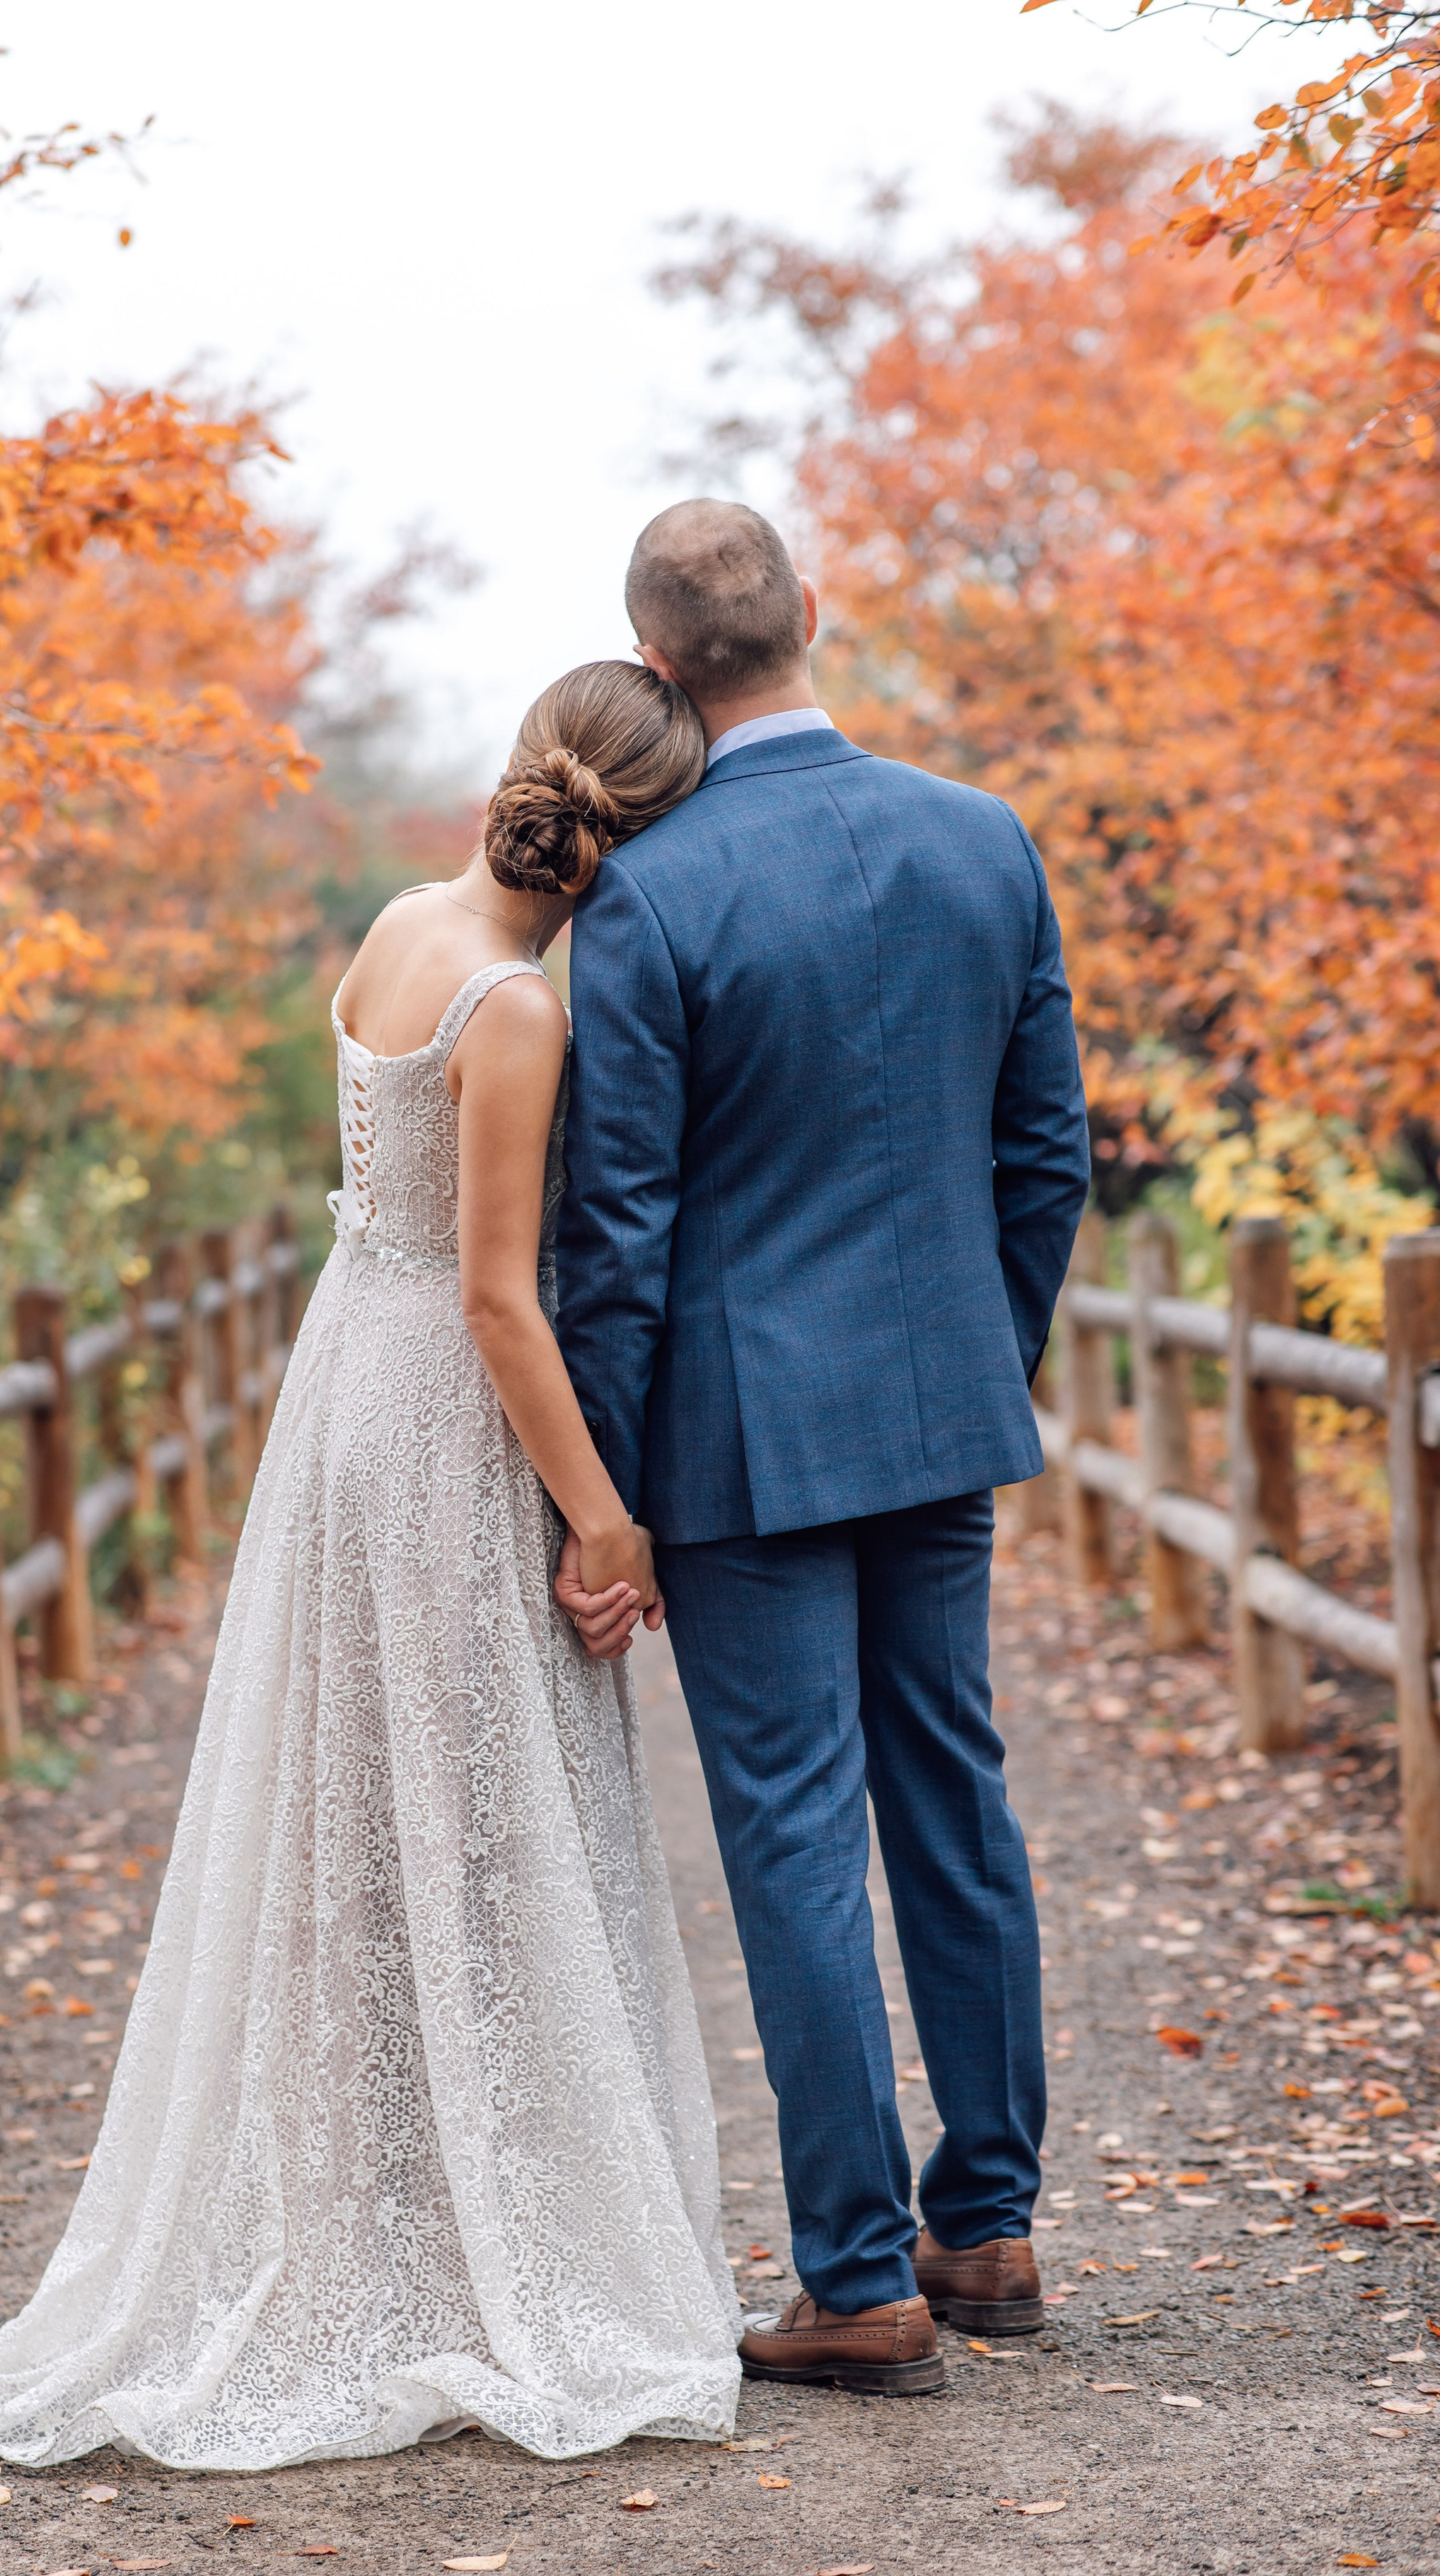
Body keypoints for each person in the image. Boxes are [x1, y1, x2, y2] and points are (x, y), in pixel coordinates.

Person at [0, 660, 743, 2472]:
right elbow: (499, 1298)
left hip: (343, 1375)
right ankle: (450, 2252)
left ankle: (382, 2223)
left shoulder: (399, 922)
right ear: (632, 845)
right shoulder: (514, 1010)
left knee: (359, 1813)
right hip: (433, 1407)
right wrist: (599, 1512)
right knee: (471, 1811)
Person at [556, 499, 1091, 2394]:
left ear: (657, 665)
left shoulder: (651, 891)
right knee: (956, 1792)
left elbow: (613, 1235)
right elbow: (1048, 1156)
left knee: (792, 1835)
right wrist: (974, 1353)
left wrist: (598, 1496)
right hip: (937, 1413)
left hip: (737, 1446)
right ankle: (992, 2226)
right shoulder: (983, 839)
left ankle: (858, 2280)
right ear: (815, 616)